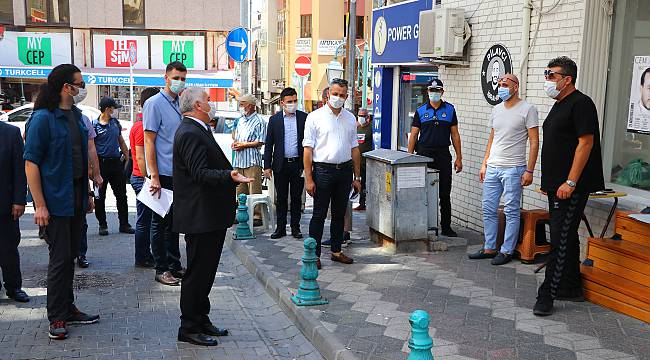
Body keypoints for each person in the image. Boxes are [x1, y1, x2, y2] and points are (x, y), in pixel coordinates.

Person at [24, 64, 99, 340]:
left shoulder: (76, 116)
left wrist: (88, 195)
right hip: (54, 203)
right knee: (60, 260)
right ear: (66, 88)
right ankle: (56, 316)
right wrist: (40, 205)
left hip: (76, 199)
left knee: (69, 259)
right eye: (79, 84)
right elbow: (31, 163)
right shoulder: (43, 119)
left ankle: (68, 308)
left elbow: (79, 159)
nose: (82, 88)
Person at [173, 87, 251, 346]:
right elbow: (200, 173)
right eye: (207, 100)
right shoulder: (189, 132)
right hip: (200, 215)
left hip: (210, 215)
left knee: (207, 272)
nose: (211, 104)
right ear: (197, 105)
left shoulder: (198, 129)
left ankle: (201, 318)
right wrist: (229, 176)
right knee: (197, 272)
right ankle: (189, 326)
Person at [534, 56, 605, 316]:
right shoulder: (559, 104)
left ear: (567, 79)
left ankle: (547, 295)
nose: (547, 80)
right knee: (567, 235)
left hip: (572, 185)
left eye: (551, 75)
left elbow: (585, 143)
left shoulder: (582, 104)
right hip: (557, 185)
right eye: (546, 75)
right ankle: (571, 287)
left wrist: (571, 181)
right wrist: (549, 183)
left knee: (559, 239)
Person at [469, 74, 539, 266]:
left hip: (514, 169)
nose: (501, 87)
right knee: (488, 208)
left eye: (505, 84)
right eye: (499, 84)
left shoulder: (528, 109)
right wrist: (484, 163)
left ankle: (507, 250)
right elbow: (492, 138)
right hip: (493, 167)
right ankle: (490, 247)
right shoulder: (496, 109)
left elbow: (534, 142)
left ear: (516, 87)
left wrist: (530, 171)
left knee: (511, 210)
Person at [303, 78, 361, 269]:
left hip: (344, 171)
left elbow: (354, 149)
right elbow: (308, 150)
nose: (338, 98)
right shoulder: (315, 117)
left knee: (339, 214)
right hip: (322, 171)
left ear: (346, 96)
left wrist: (357, 177)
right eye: (335, 94)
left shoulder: (350, 118)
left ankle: (336, 251)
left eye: (342, 95)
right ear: (328, 94)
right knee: (319, 214)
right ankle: (314, 254)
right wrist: (309, 179)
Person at [143, 61, 187, 286]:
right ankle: (161, 268)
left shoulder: (180, 103)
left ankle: (174, 265)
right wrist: (154, 176)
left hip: (179, 174)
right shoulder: (154, 104)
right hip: (162, 174)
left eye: (183, 78)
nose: (179, 82)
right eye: (176, 77)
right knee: (158, 223)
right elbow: (149, 141)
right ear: (166, 78)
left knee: (173, 223)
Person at [407, 78, 463, 237]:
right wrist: (409, 157)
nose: (434, 93)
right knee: (423, 191)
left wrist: (459, 157)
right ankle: (422, 225)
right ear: (427, 92)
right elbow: (414, 135)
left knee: (444, 193)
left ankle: (446, 227)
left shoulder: (450, 110)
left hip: (443, 154)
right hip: (424, 154)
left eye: (437, 90)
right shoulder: (420, 110)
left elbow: (455, 135)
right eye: (432, 90)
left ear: (442, 92)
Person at [264, 87, 307, 239]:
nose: (293, 104)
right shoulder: (274, 120)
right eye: (289, 102)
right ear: (282, 103)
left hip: (298, 164)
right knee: (281, 198)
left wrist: (308, 165)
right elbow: (269, 144)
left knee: (296, 198)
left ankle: (296, 227)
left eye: (295, 101)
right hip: (280, 165)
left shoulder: (303, 118)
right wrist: (267, 166)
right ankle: (280, 228)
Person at [92, 97, 133, 236]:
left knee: (122, 195)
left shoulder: (115, 123)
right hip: (100, 164)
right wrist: (92, 168)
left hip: (115, 163)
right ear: (107, 109)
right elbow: (90, 147)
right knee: (100, 196)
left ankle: (124, 224)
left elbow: (120, 141)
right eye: (113, 108)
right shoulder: (94, 125)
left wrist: (127, 157)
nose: (114, 110)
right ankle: (102, 225)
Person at [130, 87, 160, 268]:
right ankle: (142, 257)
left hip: (141, 177)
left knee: (146, 219)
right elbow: (141, 157)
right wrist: (149, 178)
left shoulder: (140, 125)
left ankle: (145, 255)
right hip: (142, 178)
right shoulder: (142, 127)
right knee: (145, 221)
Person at [0, 120, 29, 303]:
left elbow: (20, 170)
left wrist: (19, 200)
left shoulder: (10, 134)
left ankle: (13, 287)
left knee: (8, 248)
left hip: (5, 203)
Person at [232, 94, 266, 227]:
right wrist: (235, 144)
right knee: (240, 190)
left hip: (252, 160)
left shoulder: (259, 121)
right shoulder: (240, 120)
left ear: (250, 105)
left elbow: (261, 141)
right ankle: (242, 214)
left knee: (254, 190)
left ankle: (257, 215)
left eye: (243, 103)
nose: (241, 106)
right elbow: (236, 137)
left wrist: (243, 145)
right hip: (239, 160)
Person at [76, 114, 102, 268]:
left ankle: (80, 253)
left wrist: (89, 194)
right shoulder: (45, 117)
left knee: (81, 222)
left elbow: (91, 148)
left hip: (79, 182)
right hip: (57, 185)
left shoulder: (82, 119)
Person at [354, 108, 373, 211]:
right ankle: (359, 202)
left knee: (365, 183)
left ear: (367, 117)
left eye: (363, 116)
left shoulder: (371, 128)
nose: (361, 118)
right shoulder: (356, 128)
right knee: (358, 182)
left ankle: (363, 203)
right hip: (357, 162)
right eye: (359, 116)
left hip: (366, 162)